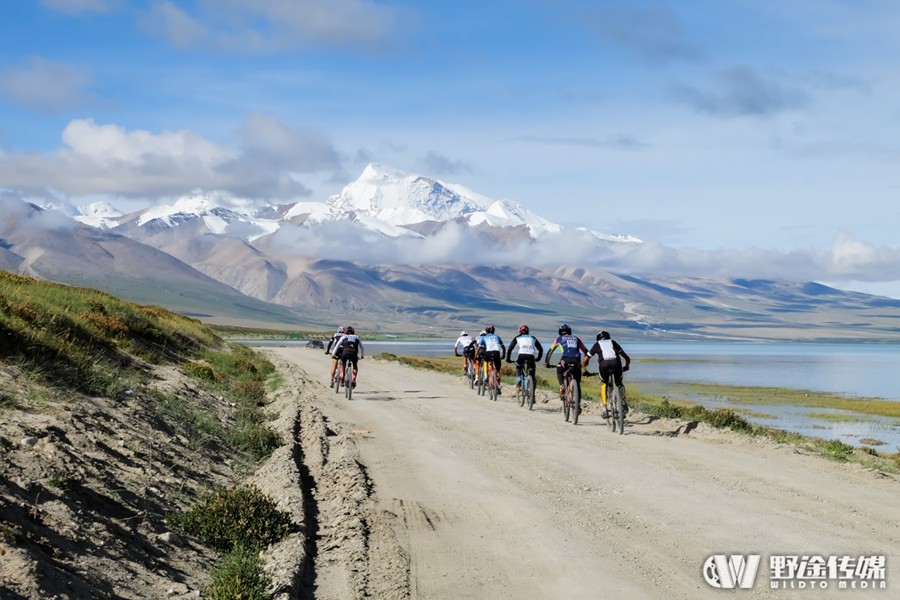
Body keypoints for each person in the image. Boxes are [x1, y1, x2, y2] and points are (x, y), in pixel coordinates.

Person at [584, 330, 631, 418]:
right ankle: (623, 401)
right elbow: (627, 358)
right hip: (616, 364)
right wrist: (626, 366)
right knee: (619, 383)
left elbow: (585, 359)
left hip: (604, 366)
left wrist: (585, 370)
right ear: (608, 337)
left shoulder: (597, 344)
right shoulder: (613, 342)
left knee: (604, 384)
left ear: (598, 339)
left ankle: (605, 408)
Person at [543, 323, 590, 403]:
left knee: (559, 370)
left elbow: (550, 351)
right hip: (576, 361)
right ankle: (578, 406)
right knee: (577, 384)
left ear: (560, 332)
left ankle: (562, 385)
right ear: (570, 331)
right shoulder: (576, 338)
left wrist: (547, 362)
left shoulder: (558, 339)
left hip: (565, 360)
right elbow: (586, 352)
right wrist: (585, 369)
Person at [505, 325, 543, 395]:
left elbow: (510, 348)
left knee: (518, 366)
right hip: (531, 356)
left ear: (520, 331)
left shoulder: (517, 337)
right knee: (532, 377)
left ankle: (519, 378)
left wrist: (508, 359)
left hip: (521, 355)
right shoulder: (532, 337)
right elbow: (540, 349)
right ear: (528, 331)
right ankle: (533, 396)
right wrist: (538, 358)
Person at [476, 324, 506, 395]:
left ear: (486, 331)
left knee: (486, 362)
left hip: (488, 353)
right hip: (496, 353)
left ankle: (486, 375)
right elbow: (503, 347)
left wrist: (476, 356)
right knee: (498, 370)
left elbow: (478, 348)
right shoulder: (497, 337)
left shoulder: (484, 337)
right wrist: (504, 354)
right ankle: (498, 385)